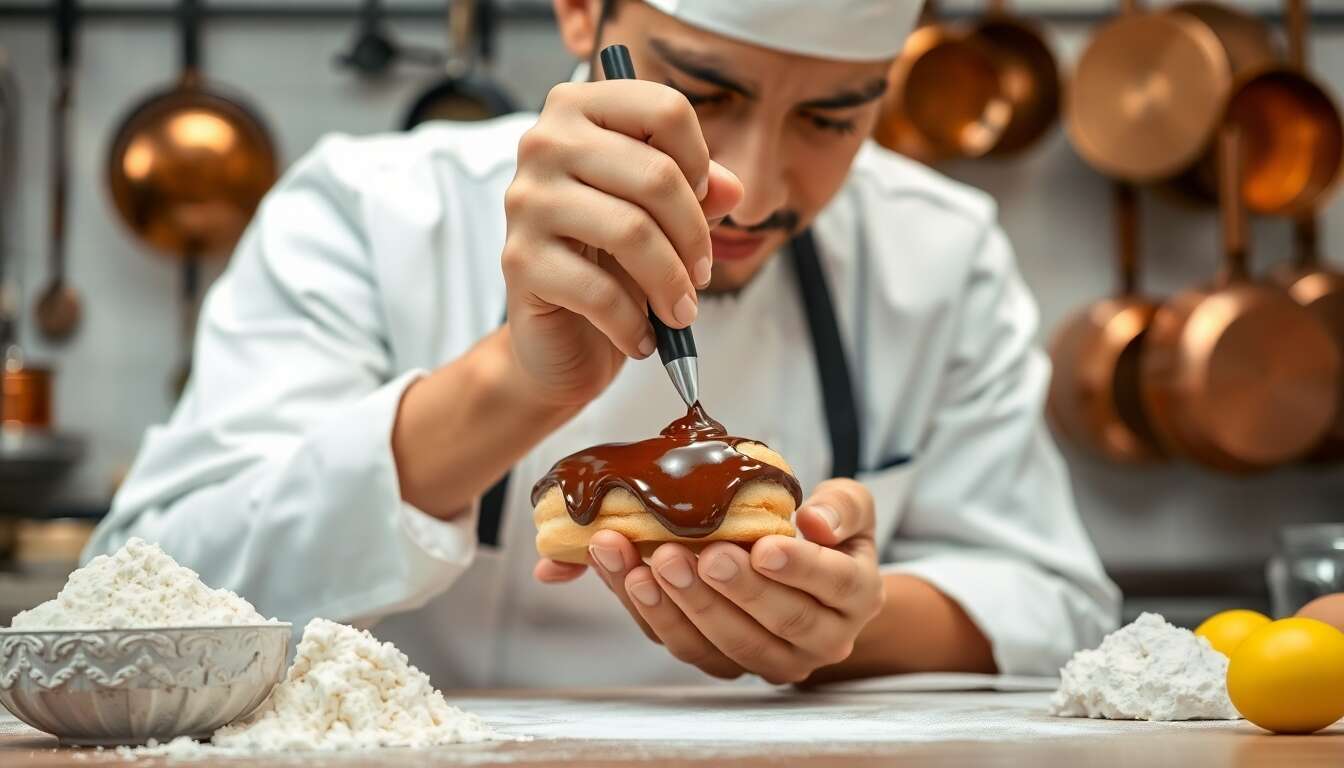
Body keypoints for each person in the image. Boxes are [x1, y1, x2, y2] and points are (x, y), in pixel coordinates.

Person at [86, 0, 1120, 687]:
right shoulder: (364, 211)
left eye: (832, 121)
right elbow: (129, 610)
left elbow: (1056, 605)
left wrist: (845, 622)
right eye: (705, 98)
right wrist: (511, 385)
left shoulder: (936, 250)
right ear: (585, 9)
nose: (753, 189)